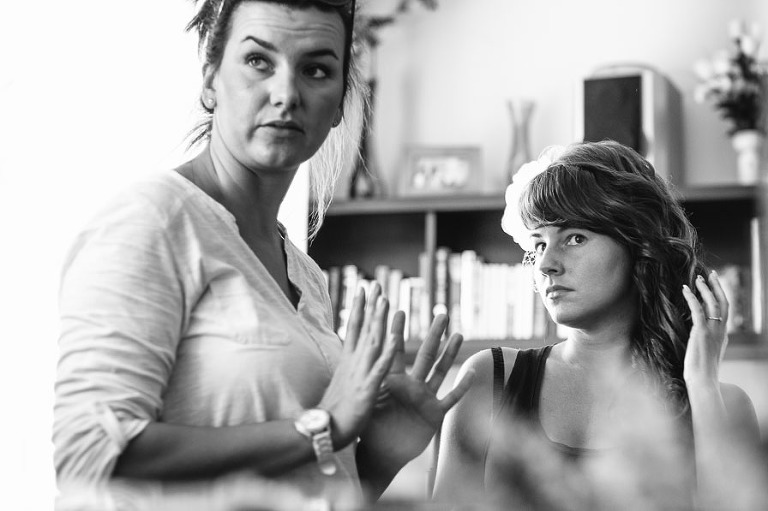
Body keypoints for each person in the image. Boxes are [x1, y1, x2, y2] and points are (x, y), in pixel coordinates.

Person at [53, 0, 473, 505]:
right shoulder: (153, 220)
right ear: (210, 79)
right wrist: (320, 426)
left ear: (340, 104)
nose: (286, 93)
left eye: (316, 69)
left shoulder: (305, 273)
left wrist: (381, 453)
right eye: (258, 61)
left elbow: (312, 483)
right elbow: (89, 457)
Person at [433, 141, 761, 509]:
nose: (546, 264)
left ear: (639, 246)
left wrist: (701, 386)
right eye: (539, 244)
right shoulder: (489, 379)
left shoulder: (725, 405)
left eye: (575, 238)